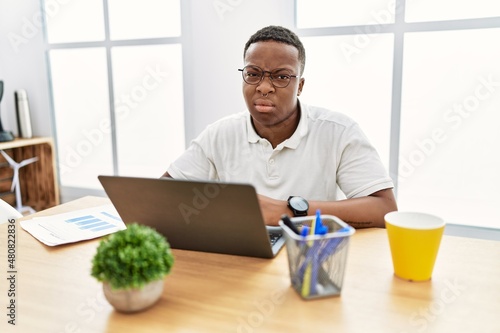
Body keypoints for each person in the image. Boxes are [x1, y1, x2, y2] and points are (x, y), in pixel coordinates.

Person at [163, 25, 397, 228]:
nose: (264, 87)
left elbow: (384, 208)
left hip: (309, 253)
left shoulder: (338, 131)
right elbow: (160, 195)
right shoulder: (219, 134)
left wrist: (287, 211)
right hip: (240, 256)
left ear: (300, 86)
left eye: (281, 76)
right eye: (253, 74)